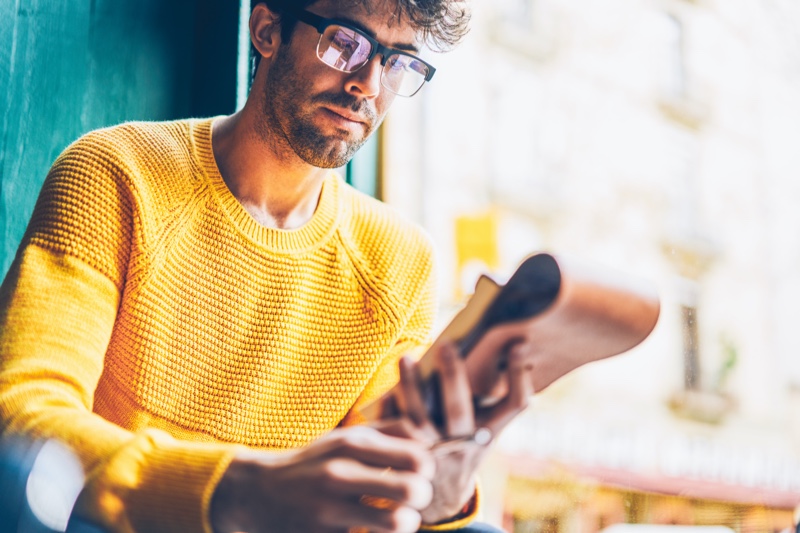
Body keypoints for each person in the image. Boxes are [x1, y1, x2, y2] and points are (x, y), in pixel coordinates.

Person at [0, 1, 536, 531]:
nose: (369, 85)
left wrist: (440, 488)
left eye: (398, 62)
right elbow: (23, 421)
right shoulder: (116, 173)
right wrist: (234, 492)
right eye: (346, 43)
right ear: (267, 31)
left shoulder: (400, 259)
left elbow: (372, 493)